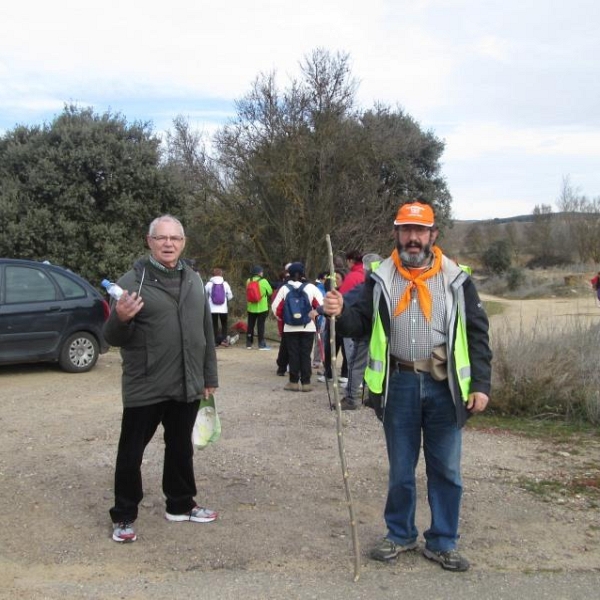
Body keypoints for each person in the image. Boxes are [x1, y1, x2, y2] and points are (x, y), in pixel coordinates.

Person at [323, 201, 492, 572]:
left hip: (445, 387)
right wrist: (338, 311)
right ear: (396, 234)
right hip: (397, 384)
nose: (413, 238)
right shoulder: (380, 277)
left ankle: (442, 541)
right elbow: (358, 322)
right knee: (401, 469)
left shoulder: (456, 278)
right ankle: (399, 534)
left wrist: (480, 383)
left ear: (433, 235)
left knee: (446, 469)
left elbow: (478, 334)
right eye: (406, 230)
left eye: (420, 231)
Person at [103, 214, 219, 543]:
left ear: (183, 243)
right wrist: (121, 319)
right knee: (131, 451)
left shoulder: (194, 279)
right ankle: (124, 515)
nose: (169, 244)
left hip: (187, 379)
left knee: (181, 446)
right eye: (162, 238)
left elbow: (206, 330)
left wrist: (209, 374)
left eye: (175, 239)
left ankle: (180, 504)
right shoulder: (131, 281)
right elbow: (112, 336)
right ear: (149, 241)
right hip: (146, 382)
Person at [338, 253, 383, 411]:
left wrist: (321, 309)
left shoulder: (365, 286)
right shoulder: (389, 285)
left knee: (356, 364)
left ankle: (351, 398)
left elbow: (344, 300)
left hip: (364, 332)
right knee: (378, 365)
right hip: (382, 335)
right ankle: (374, 396)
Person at [271, 262, 323, 392]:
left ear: (289, 274)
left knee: (293, 354)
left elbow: (276, 308)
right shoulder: (311, 288)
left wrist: (284, 318)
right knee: (305, 354)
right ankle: (306, 382)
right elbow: (321, 305)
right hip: (308, 326)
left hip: (290, 327)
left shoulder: (284, 288)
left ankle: (293, 382)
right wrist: (315, 316)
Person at [246, 265, 273, 350]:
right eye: (261, 271)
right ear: (259, 273)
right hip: (262, 307)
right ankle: (261, 344)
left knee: (250, 325)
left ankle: (249, 343)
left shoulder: (248, 281)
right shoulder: (263, 281)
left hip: (251, 307)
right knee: (260, 325)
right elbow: (270, 292)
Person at [205, 267, 234, 346]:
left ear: (213, 275)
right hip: (223, 309)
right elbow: (230, 296)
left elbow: (204, 294)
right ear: (221, 274)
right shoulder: (225, 284)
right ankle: (224, 340)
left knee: (214, 324)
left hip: (212, 309)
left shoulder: (209, 284)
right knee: (224, 324)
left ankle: (215, 341)